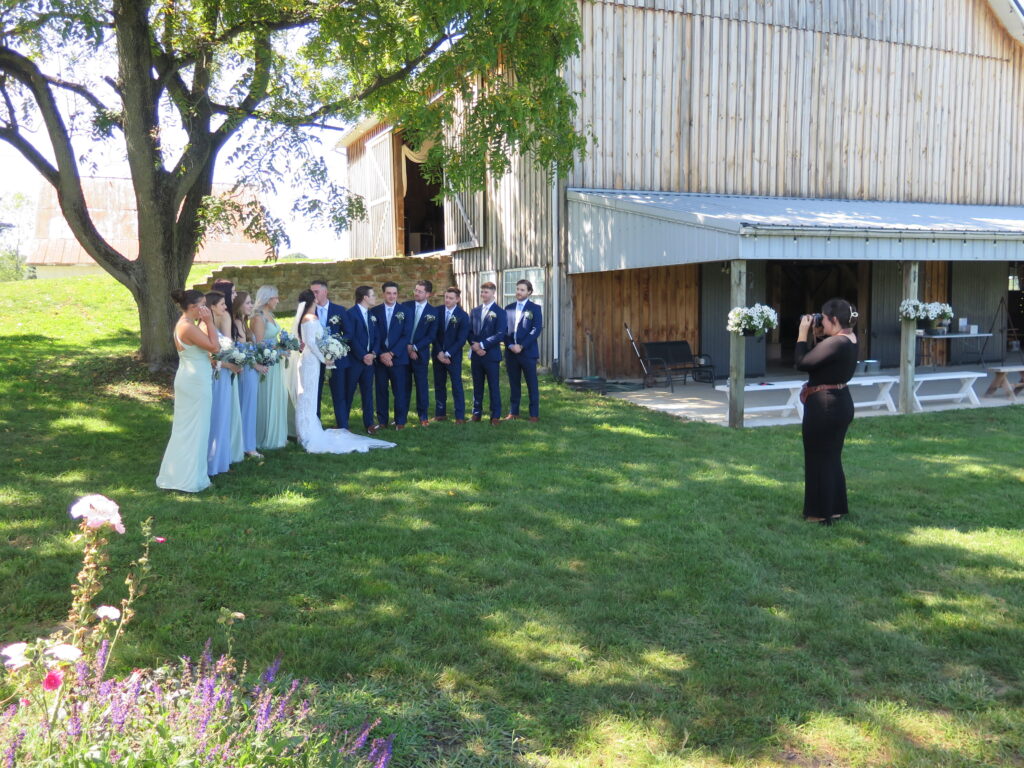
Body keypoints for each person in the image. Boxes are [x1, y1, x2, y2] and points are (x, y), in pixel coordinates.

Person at [292, 290, 395, 454]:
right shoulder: (309, 318)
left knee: (309, 396)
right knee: (307, 396)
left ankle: (308, 429)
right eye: (315, 296)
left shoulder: (311, 317)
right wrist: (324, 358)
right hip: (312, 361)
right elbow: (311, 342)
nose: (319, 297)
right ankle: (305, 432)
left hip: (314, 360)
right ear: (312, 301)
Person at [795, 298, 859, 524]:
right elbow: (819, 361)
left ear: (833, 319)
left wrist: (803, 333)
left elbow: (802, 362)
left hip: (825, 405)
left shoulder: (836, 343)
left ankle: (819, 513)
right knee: (831, 457)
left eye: (824, 317)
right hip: (839, 401)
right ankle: (835, 508)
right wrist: (816, 333)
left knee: (817, 458)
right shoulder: (849, 339)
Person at [157, 290, 219, 493]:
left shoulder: (187, 324)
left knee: (193, 428)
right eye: (203, 305)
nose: (206, 309)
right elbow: (215, 347)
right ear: (193, 308)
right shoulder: (187, 327)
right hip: (195, 382)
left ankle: (187, 473)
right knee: (195, 428)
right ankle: (188, 477)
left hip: (192, 377)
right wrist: (209, 322)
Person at [205, 291, 242, 476]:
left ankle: (220, 462)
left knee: (224, 417)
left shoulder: (214, 327)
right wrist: (230, 365)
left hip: (224, 376)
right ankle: (211, 464)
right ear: (212, 306)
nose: (225, 307)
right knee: (216, 417)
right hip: (215, 378)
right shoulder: (204, 328)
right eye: (221, 304)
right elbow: (209, 359)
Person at [310, 278, 351, 427]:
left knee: (339, 394)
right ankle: (316, 425)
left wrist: (335, 348)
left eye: (316, 291)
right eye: (312, 292)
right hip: (315, 359)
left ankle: (342, 425)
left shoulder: (339, 310)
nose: (313, 295)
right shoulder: (309, 311)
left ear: (325, 292)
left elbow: (348, 333)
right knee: (316, 393)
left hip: (336, 359)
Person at [251, 285, 288, 450]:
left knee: (277, 395)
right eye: (276, 298)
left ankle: (277, 435)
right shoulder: (258, 318)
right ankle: (264, 436)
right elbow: (258, 344)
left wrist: (283, 346)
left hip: (275, 361)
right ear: (267, 299)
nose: (278, 301)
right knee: (267, 396)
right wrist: (278, 349)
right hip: (266, 362)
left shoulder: (270, 315)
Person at [370, 281, 411, 429]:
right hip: (380, 358)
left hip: (398, 358)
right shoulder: (374, 312)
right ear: (383, 294)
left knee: (399, 390)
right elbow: (373, 335)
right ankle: (382, 420)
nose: (392, 296)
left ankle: (400, 421)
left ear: (397, 294)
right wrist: (381, 354)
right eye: (389, 293)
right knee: (381, 389)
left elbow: (406, 335)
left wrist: (392, 353)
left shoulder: (405, 311)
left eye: (394, 293)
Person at [232, 291, 266, 459]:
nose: (251, 305)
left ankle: (248, 442)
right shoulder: (237, 323)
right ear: (238, 305)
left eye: (251, 302)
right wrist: (256, 365)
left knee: (250, 406)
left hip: (250, 370)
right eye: (247, 303)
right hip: (246, 371)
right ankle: (247, 446)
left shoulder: (244, 322)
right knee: (247, 407)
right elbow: (241, 350)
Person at [503, 279, 543, 421]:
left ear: (529, 292)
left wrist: (522, 345)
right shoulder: (508, 308)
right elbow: (504, 330)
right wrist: (510, 345)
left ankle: (534, 414)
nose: (518, 292)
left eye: (522, 290)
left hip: (527, 352)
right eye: (517, 289)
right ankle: (514, 412)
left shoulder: (535, 308)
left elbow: (536, 329)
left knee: (532, 384)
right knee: (514, 383)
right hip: (511, 352)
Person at [468, 282, 507, 424]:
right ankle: (476, 413)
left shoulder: (500, 312)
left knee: (493, 386)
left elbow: (500, 334)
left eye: (486, 292)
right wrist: (475, 346)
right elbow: (470, 331)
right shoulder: (475, 311)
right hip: (476, 356)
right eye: (482, 292)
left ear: (493, 294)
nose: (483, 294)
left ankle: (495, 415)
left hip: (491, 355)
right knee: (477, 385)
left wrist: (483, 345)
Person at [404, 280, 440, 426]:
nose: (416, 293)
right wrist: (407, 346)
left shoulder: (433, 312)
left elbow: (431, 336)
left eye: (420, 291)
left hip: (421, 354)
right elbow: (400, 329)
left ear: (428, 294)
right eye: (415, 290)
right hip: (403, 353)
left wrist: (415, 348)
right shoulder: (405, 306)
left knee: (421, 385)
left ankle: (423, 416)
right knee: (403, 386)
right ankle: (401, 417)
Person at [346, 286, 381, 434]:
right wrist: (362, 355)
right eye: (372, 295)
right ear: (365, 297)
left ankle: (369, 423)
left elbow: (377, 336)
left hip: (369, 361)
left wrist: (373, 353)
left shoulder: (371, 314)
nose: (374, 298)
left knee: (368, 392)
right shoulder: (351, 314)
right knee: (348, 392)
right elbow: (351, 337)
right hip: (355, 361)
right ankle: (343, 423)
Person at [433, 286, 471, 423]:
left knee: (456, 385)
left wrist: (448, 354)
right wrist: (439, 352)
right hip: (437, 355)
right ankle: (440, 413)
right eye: (446, 297)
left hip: (453, 357)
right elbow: (433, 334)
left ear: (458, 299)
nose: (447, 300)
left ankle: (460, 416)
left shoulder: (463, 315)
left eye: (450, 298)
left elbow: (461, 339)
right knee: (439, 384)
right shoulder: (437, 311)